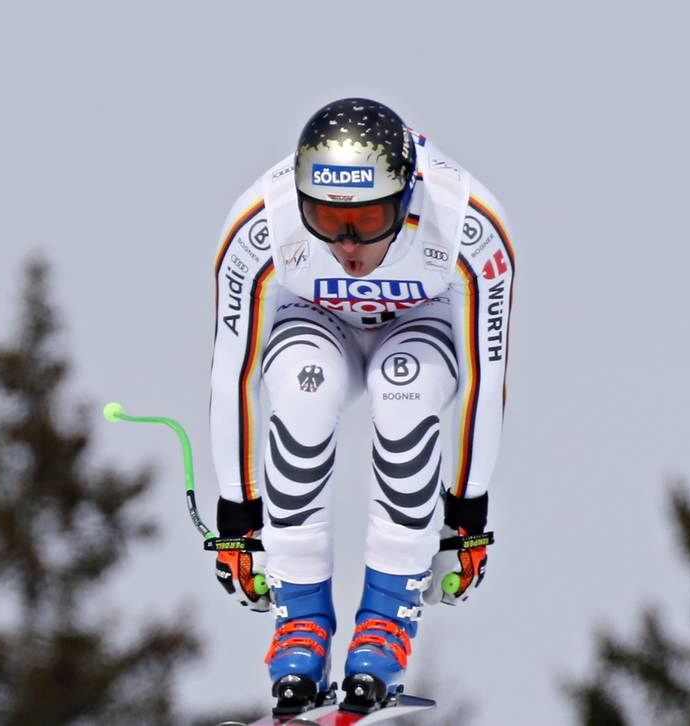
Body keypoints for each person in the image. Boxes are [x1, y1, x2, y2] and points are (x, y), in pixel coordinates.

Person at [209, 98, 515, 713]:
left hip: (417, 321)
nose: (348, 243)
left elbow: (486, 375)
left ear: (406, 200)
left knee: (406, 397)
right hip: (316, 319)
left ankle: (385, 624)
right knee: (299, 391)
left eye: (370, 219)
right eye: (325, 219)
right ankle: (300, 624)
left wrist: (467, 513)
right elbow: (232, 374)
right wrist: (238, 521)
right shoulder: (259, 224)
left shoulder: (465, 223)